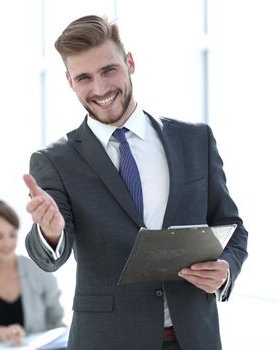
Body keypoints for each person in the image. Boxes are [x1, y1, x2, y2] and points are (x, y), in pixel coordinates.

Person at [23, 15, 248, 350]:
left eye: (108, 70)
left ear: (129, 63)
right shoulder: (55, 161)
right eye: (84, 77)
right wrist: (51, 232)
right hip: (107, 340)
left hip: (194, 337)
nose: (99, 89)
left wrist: (226, 269)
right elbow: (51, 256)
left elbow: (231, 226)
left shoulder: (194, 140)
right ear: (70, 81)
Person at [0, 200, 64, 345]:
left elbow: (56, 321)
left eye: (12, 235)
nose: (7, 243)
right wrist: (3, 333)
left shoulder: (40, 269)